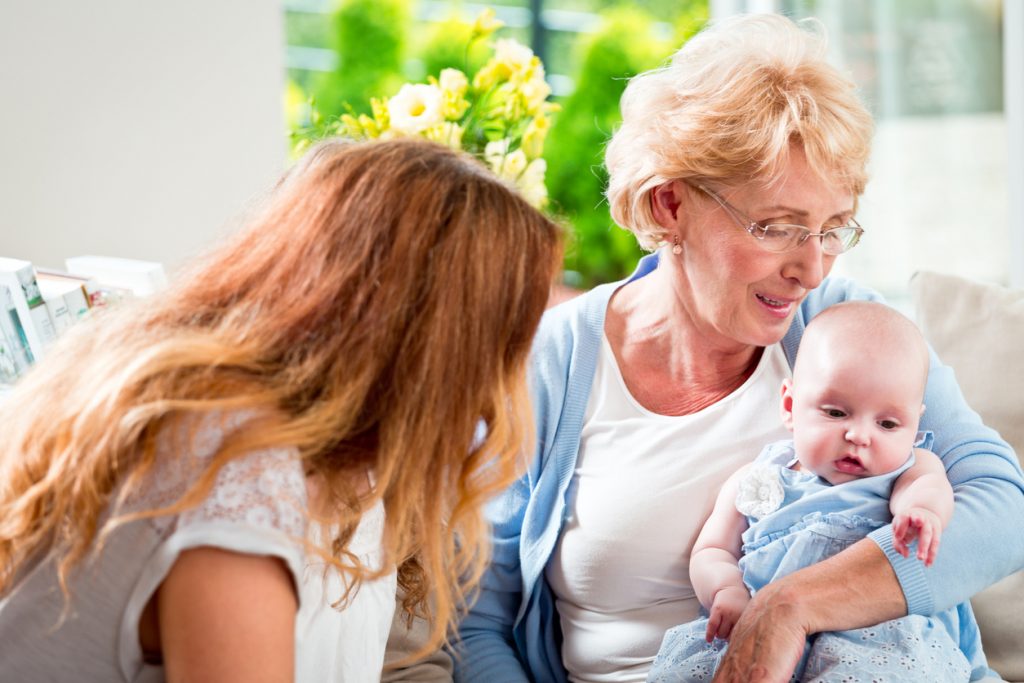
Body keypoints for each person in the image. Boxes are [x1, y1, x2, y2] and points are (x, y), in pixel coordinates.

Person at [452, 13, 1024, 683]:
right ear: (670, 204)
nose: (811, 268)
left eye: (832, 228)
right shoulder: (551, 361)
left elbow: (1000, 506)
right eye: (778, 227)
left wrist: (789, 606)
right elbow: (477, 618)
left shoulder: (844, 328)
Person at [0, 138, 562, 681]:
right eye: (505, 340)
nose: (497, 386)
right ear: (428, 346)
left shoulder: (327, 460)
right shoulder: (232, 465)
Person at [648, 301, 989, 682]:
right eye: (836, 413)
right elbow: (711, 549)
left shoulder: (910, 467)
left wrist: (923, 513)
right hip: (752, 632)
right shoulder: (759, 478)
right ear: (791, 406)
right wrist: (724, 589)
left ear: (914, 425)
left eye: (888, 423)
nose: (859, 435)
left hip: (876, 637)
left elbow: (926, 490)